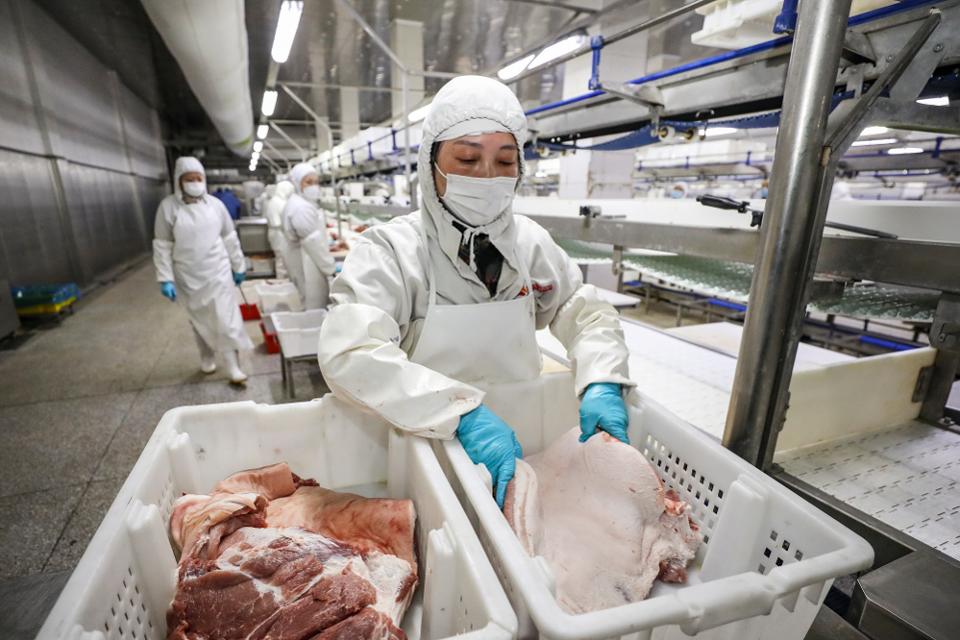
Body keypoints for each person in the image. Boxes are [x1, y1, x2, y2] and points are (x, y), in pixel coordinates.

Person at [317, 76, 633, 507]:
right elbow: (349, 352)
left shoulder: (530, 243)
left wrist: (601, 378)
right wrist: (460, 413)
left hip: (523, 444)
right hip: (425, 444)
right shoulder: (392, 250)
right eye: (467, 159)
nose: (487, 177)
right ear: (431, 165)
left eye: (505, 162)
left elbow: (583, 310)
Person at [153, 156, 252, 384]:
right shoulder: (168, 208)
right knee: (198, 320)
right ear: (179, 181)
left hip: (217, 269)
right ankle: (207, 357)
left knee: (226, 319)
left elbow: (229, 237)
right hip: (187, 274)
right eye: (189, 179)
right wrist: (165, 278)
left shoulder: (216, 206)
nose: (195, 182)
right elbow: (162, 245)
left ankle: (233, 366)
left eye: (199, 178)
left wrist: (238, 265)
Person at [283, 162, 335, 309]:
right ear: (298, 184)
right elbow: (314, 243)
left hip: (306, 258)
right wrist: (330, 268)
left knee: (308, 300)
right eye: (308, 182)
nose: (314, 186)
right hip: (308, 262)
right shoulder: (301, 207)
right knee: (314, 303)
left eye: (316, 182)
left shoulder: (300, 203)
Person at [265, 179, 295, 278]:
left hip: (278, 234)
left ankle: (283, 279)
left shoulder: (276, 200)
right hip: (279, 235)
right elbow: (281, 222)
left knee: (282, 259)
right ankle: (282, 281)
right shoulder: (278, 202)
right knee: (282, 260)